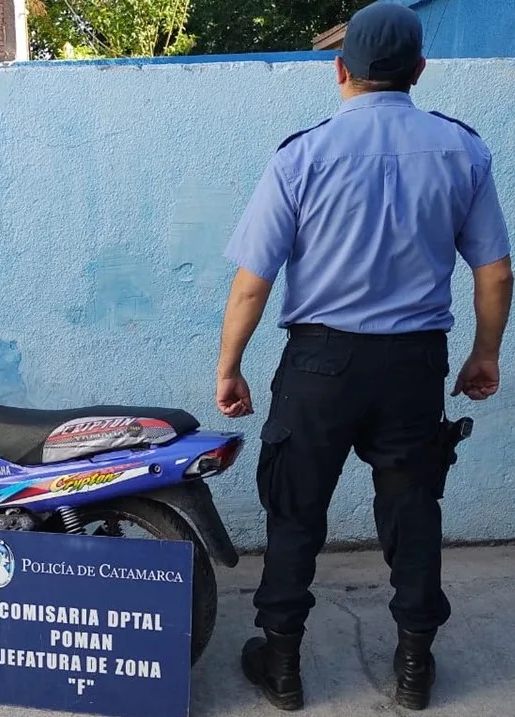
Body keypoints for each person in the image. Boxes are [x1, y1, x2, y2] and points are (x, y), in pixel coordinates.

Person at [216, 2, 512, 712]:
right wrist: (484, 354)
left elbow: (253, 283)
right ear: (418, 70)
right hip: (414, 365)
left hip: (319, 365)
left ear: (340, 68)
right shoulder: (461, 150)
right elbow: (495, 272)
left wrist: (229, 366)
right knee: (413, 510)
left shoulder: (302, 155)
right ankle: (415, 668)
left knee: (294, 512)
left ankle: (282, 667)